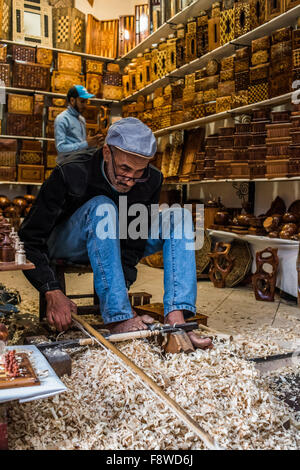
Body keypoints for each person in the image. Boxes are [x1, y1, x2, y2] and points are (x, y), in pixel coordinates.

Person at [19, 118, 212, 350]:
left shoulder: (151, 180)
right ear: (107, 152)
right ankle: (118, 318)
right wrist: (52, 290)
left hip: (115, 241)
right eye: (124, 168)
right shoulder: (71, 171)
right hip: (67, 243)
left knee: (178, 217)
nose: (130, 180)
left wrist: (122, 287)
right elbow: (28, 240)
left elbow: (134, 241)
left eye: (139, 171)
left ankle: (177, 318)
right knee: (103, 206)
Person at [54, 85, 104, 161]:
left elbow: (82, 148)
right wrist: (87, 144)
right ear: (72, 100)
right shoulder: (62, 119)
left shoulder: (81, 119)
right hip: (66, 166)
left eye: (86, 101)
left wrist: (95, 143)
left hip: (79, 163)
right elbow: (61, 149)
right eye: (82, 101)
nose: (85, 105)